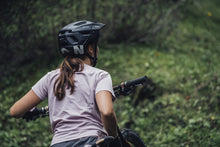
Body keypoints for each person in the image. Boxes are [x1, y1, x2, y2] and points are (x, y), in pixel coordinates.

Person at [10, 20, 122, 147]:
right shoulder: (100, 76)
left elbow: (15, 111)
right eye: (95, 45)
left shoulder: (50, 78)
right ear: (90, 49)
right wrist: (115, 138)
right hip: (90, 141)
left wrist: (32, 111)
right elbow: (106, 112)